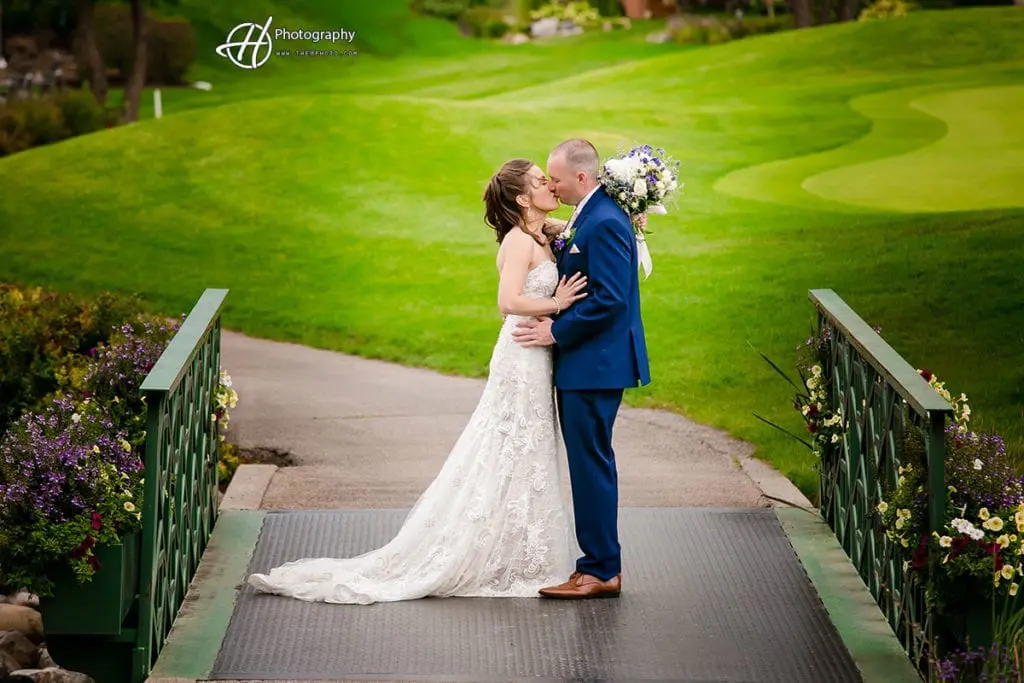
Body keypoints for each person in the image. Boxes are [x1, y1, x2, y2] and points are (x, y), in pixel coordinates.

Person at [247, 158, 589, 604]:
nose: (549, 185)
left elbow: (582, 221)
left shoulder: (540, 232)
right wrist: (558, 304)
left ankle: (521, 551)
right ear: (523, 197)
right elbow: (507, 302)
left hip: (535, 353)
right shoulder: (519, 241)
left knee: (528, 448)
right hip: (521, 354)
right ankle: (491, 554)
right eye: (540, 183)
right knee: (511, 445)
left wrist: (625, 209)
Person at [513, 138, 650, 600]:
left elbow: (611, 299)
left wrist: (556, 332)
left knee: (590, 465)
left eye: (555, 177)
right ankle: (598, 564)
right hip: (589, 365)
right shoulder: (592, 212)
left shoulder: (605, 221)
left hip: (595, 365)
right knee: (590, 462)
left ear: (582, 178)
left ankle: (599, 571)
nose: (550, 184)